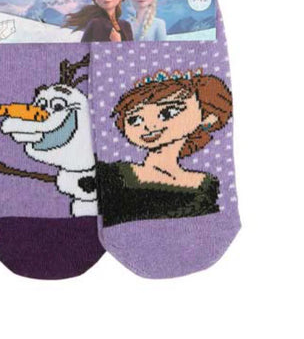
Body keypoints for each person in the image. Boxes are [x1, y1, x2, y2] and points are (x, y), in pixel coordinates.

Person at [96, 70, 232, 226]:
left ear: (207, 117)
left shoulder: (205, 184)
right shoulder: (116, 175)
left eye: (168, 112)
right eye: (135, 119)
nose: (148, 126)